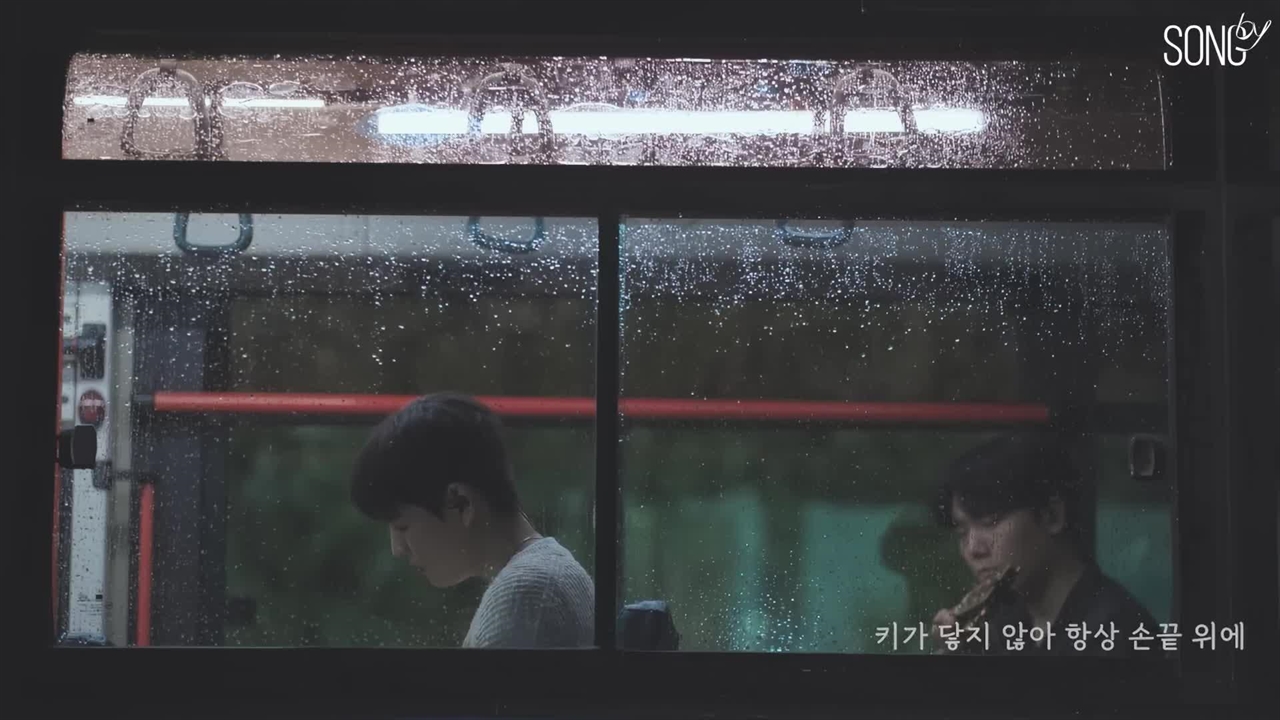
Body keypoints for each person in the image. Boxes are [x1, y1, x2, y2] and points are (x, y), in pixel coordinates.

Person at [350, 391, 594, 648]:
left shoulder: (525, 593)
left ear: (461, 503)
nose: (397, 549)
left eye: (402, 526)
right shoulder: (547, 574)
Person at [929, 432, 1158, 657]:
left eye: (991, 522)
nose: (973, 549)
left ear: (1052, 516)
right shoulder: (1000, 622)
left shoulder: (1116, 629)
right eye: (962, 533)